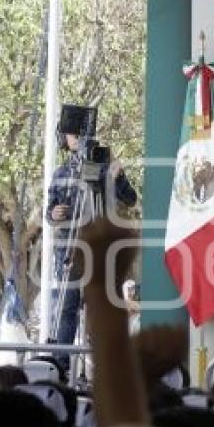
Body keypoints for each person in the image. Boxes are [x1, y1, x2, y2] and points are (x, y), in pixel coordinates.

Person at [45, 105, 137, 369]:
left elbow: (129, 199)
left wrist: (116, 178)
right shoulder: (62, 173)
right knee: (65, 310)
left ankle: (106, 368)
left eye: (77, 134)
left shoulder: (105, 165)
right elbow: (49, 216)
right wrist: (55, 212)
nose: (76, 140)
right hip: (70, 250)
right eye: (72, 135)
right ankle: (59, 367)